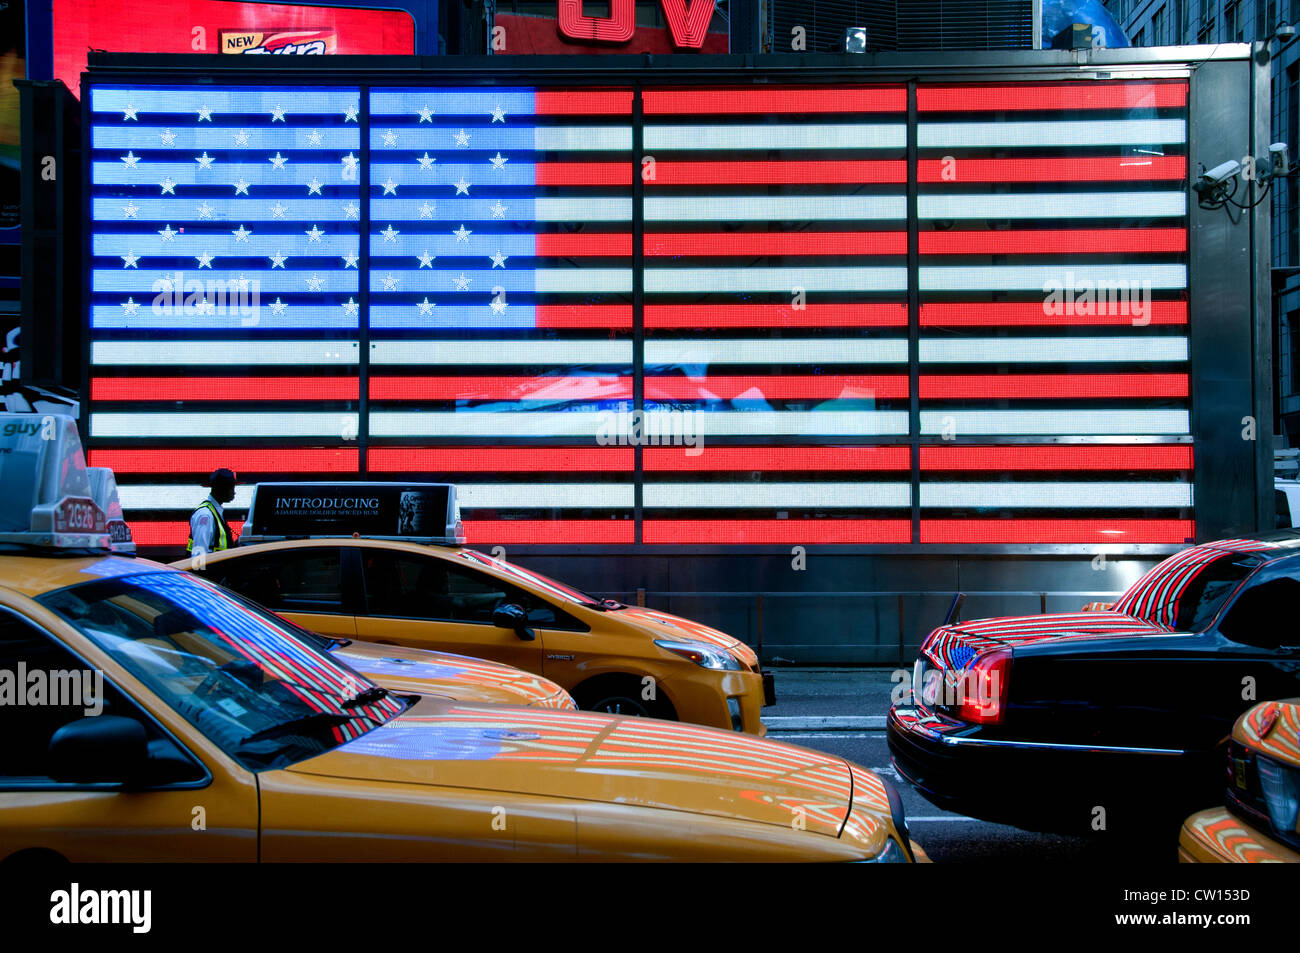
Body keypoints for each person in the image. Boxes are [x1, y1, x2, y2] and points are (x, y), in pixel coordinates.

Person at [186, 468, 237, 556]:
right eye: (231, 488)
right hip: (210, 569)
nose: (234, 492)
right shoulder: (205, 515)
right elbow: (198, 554)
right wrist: (199, 569)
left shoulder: (215, 512)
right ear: (221, 489)